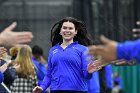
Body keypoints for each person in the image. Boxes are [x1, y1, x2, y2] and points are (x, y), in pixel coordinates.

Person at [33, 17, 100, 93]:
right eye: (64, 28)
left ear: (76, 32)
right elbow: (49, 75)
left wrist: (88, 72)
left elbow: (86, 75)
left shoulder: (83, 49)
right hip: (56, 90)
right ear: (60, 31)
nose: (67, 30)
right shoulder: (53, 50)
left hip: (77, 90)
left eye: (70, 28)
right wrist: (42, 87)